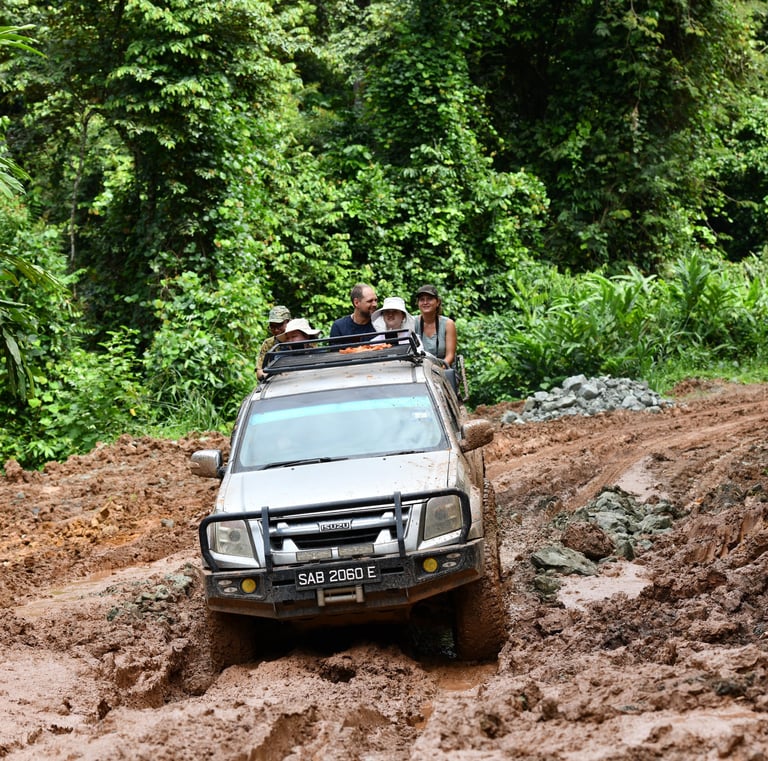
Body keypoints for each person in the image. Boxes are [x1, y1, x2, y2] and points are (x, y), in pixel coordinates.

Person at [413, 284, 456, 367]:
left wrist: (439, 371)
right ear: (418, 303)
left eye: (429, 299)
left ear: (437, 302)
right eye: (422, 300)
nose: (425, 302)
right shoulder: (412, 322)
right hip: (420, 369)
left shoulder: (448, 324)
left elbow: (450, 356)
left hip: (443, 369)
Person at [256, 305, 291, 380]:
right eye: (272, 326)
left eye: (279, 325)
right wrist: (270, 375)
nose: (276, 330)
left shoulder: (302, 339)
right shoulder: (268, 343)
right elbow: (259, 371)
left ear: (288, 322)